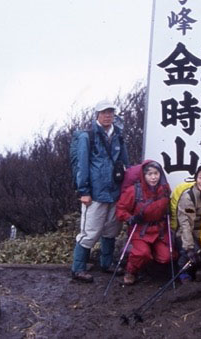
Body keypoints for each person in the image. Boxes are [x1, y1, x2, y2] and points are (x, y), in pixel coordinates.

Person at [70, 100, 130, 283]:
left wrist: (125, 188)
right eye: (104, 112)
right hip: (95, 193)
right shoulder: (87, 136)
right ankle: (78, 268)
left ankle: (107, 263)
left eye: (110, 112)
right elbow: (82, 165)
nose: (108, 115)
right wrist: (83, 191)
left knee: (111, 230)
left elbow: (125, 162)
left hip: (115, 191)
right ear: (97, 115)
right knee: (90, 231)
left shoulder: (118, 135)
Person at [115, 160, 174, 285]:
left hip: (159, 231)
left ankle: (148, 262)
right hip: (140, 230)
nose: (153, 177)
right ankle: (131, 270)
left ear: (161, 174)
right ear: (143, 175)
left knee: (167, 256)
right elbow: (121, 209)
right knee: (142, 253)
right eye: (149, 174)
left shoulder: (164, 189)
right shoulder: (134, 191)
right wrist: (130, 218)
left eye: (156, 173)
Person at [175, 163, 201, 282]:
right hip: (187, 233)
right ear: (196, 178)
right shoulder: (188, 196)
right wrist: (189, 247)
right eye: (200, 177)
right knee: (192, 253)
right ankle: (183, 272)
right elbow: (185, 224)